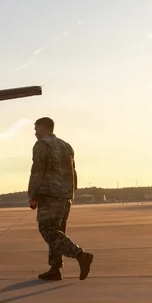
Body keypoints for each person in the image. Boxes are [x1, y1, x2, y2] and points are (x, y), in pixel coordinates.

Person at [29, 117, 94, 280]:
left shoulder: (42, 145)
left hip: (50, 194)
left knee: (48, 230)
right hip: (65, 195)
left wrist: (33, 195)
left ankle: (80, 255)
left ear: (43, 128)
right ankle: (55, 269)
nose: (35, 133)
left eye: (36, 129)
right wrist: (71, 192)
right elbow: (73, 171)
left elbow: (37, 171)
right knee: (58, 232)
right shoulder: (66, 146)